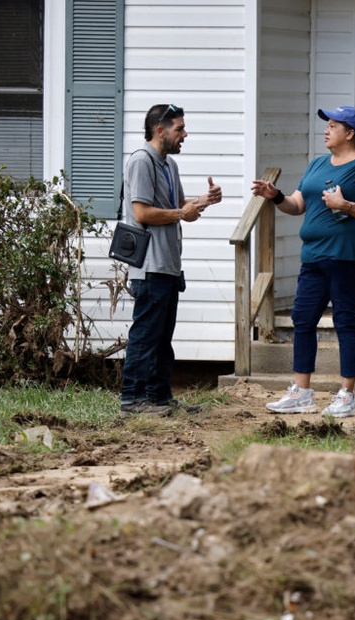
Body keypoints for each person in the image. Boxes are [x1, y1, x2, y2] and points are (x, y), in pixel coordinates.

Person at [250, 106, 355, 418]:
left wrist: (345, 205)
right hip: (313, 256)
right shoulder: (317, 164)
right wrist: (275, 196)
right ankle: (302, 392)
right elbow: (297, 204)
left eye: (332, 126)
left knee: (345, 322)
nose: (326, 130)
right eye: (326, 125)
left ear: (350, 133)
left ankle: (347, 395)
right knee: (303, 319)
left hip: (349, 257)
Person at [120, 103, 222, 415]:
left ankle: (159, 398)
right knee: (145, 335)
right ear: (159, 130)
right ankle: (132, 400)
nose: (185, 134)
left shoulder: (168, 165)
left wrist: (202, 201)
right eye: (179, 128)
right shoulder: (142, 161)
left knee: (162, 338)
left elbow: (178, 207)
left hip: (167, 265)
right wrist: (181, 212)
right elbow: (142, 213)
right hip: (149, 266)